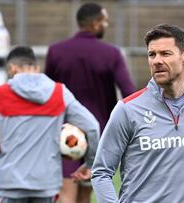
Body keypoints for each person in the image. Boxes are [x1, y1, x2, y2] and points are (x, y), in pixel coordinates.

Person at [75, 24, 184, 203]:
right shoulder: (127, 109)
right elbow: (101, 171)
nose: (156, 61)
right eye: (151, 55)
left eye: (165, 54)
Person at [0, 46, 100, 203]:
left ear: (12, 68)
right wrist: (90, 164)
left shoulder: (1, 94)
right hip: (46, 185)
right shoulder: (59, 93)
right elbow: (92, 127)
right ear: (36, 68)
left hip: (10, 185)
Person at [45, 2, 135, 203]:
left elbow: (47, 92)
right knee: (86, 192)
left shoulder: (56, 51)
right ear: (95, 24)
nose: (107, 25)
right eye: (105, 21)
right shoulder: (111, 54)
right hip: (101, 134)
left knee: (66, 191)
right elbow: (128, 92)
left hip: (63, 131)